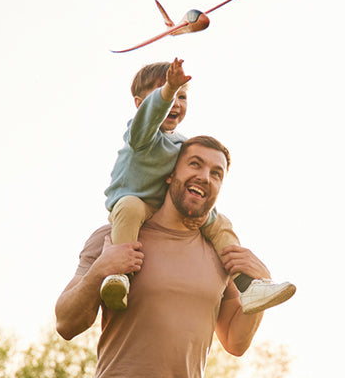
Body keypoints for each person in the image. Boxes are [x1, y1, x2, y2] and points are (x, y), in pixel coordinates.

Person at [56, 136, 277, 378]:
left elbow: (236, 342)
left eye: (216, 173)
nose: (204, 177)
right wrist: (100, 270)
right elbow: (66, 323)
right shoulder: (117, 234)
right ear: (172, 171)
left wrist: (257, 294)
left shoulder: (218, 253)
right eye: (195, 165)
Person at [100, 57, 294, 314]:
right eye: (167, 95)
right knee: (130, 207)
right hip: (133, 200)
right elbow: (149, 117)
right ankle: (119, 277)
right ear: (139, 104)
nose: (175, 103)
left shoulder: (181, 142)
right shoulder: (140, 134)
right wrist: (167, 91)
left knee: (219, 222)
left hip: (163, 202)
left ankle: (248, 286)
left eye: (182, 97)